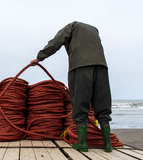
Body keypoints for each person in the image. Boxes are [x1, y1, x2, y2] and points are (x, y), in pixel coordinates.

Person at [30, 21, 113, 152]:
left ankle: (82, 145)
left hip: (80, 67)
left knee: (80, 103)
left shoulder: (72, 26)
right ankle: (108, 146)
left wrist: (40, 57)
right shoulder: (94, 30)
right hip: (102, 67)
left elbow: (56, 42)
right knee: (102, 103)